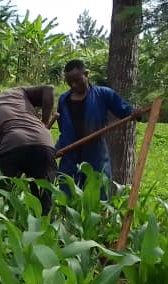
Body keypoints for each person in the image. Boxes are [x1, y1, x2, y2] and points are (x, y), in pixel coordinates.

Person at [0, 82, 57, 213]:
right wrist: (45, 123)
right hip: (45, 143)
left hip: (14, 143)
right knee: (44, 197)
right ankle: (45, 227)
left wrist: (2, 175)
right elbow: (48, 89)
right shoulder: (15, 92)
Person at [56, 59, 135, 188]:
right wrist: (58, 147)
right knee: (68, 194)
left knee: (98, 193)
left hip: (95, 154)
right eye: (70, 82)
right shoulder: (63, 100)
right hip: (69, 154)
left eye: (77, 80)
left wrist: (134, 112)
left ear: (86, 74)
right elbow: (63, 129)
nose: (74, 85)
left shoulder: (103, 94)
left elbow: (124, 110)